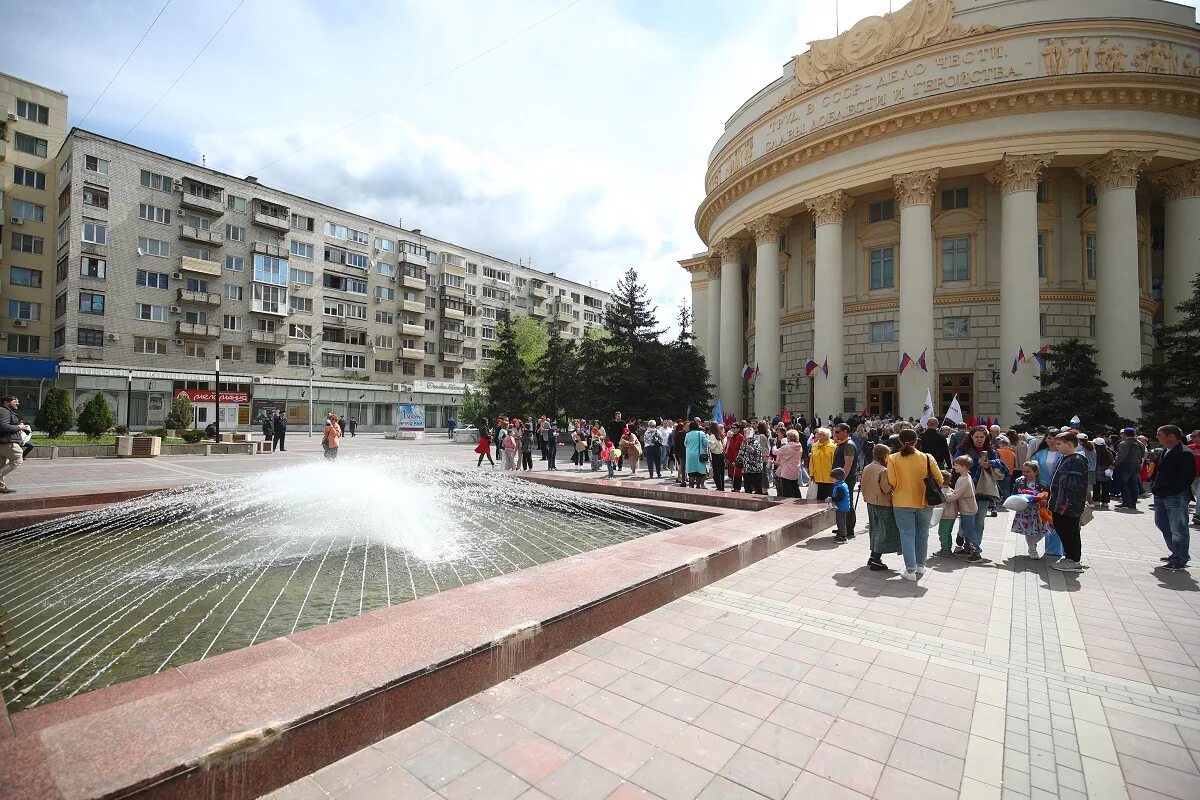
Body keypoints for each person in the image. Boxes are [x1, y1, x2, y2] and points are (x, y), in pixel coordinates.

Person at [886, 428, 944, 581]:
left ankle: (910, 569)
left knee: (907, 535)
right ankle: (920, 565)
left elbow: (892, 481)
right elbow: (940, 479)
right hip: (925, 501)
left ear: (899, 441)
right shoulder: (926, 457)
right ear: (916, 440)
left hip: (902, 500)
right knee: (922, 535)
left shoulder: (892, 458)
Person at [1152, 425, 1196, 571]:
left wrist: (1171, 492)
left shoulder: (1185, 453)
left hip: (1175, 496)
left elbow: (1186, 477)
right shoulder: (1166, 450)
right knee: (1162, 523)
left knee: (1178, 528)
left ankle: (1180, 558)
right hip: (1161, 494)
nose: (1157, 437)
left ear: (1171, 436)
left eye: (1160, 434)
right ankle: (1176, 552)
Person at [1048, 432, 1089, 572]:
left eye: (1059, 444)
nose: (1056, 446)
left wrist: (1065, 504)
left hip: (1068, 505)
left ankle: (1073, 560)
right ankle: (1069, 556)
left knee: (1070, 531)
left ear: (1070, 444)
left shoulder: (1076, 460)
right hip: (1059, 504)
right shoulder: (1065, 458)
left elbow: (1073, 486)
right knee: (1063, 530)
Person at [862, 444, 901, 571]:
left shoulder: (867, 467)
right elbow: (886, 488)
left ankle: (873, 556)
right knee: (884, 531)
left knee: (875, 530)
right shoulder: (883, 470)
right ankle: (877, 560)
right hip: (883, 503)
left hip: (871, 502)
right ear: (885, 455)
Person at [942, 455, 981, 562]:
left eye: (956, 465)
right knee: (966, 529)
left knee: (969, 531)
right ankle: (968, 548)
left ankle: (977, 552)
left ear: (964, 467)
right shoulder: (967, 477)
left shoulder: (963, 479)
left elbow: (955, 495)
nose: (954, 467)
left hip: (967, 509)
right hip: (969, 508)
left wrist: (944, 494)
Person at [1012, 461, 1053, 559]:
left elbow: (1048, 496)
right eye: (1024, 471)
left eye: (1028, 471)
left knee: (1043, 530)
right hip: (1024, 511)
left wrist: (1045, 502)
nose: (1025, 473)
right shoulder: (1019, 482)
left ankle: (1032, 544)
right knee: (1028, 531)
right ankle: (1032, 550)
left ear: (1035, 472)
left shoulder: (1042, 484)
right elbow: (1014, 494)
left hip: (1038, 511)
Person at [833, 423, 859, 535]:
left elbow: (847, 465)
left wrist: (841, 481)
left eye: (838, 432)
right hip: (842, 479)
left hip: (846, 479)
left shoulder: (848, 445)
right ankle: (842, 527)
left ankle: (849, 530)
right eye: (835, 431)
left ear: (845, 432)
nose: (835, 434)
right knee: (842, 503)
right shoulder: (841, 444)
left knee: (847, 504)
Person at [0, 396, 30, 493]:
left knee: (1, 464)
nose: (17, 403)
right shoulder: (4, 411)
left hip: (5, 442)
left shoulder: (6, 411)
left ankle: (1, 487)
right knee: (18, 459)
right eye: (15, 401)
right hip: (7, 442)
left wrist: (20, 435)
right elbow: (4, 426)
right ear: (7, 402)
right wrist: (19, 427)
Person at [1112, 427, 1146, 511]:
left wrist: (1114, 464)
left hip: (1125, 466)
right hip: (1136, 466)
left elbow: (1121, 456)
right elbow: (1143, 454)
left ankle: (1126, 502)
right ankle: (1133, 503)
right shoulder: (1139, 443)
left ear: (1125, 434)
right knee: (1133, 485)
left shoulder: (1124, 443)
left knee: (1123, 484)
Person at [773, 429, 804, 498]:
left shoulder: (787, 447)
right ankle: (798, 500)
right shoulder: (799, 446)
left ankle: (787, 504)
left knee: (786, 489)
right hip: (796, 468)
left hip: (787, 470)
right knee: (795, 486)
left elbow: (775, 452)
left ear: (789, 437)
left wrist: (774, 445)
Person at [736, 425, 766, 495]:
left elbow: (759, 453)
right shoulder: (743, 443)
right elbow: (741, 453)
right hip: (746, 468)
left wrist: (753, 451)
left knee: (757, 487)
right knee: (747, 487)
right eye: (746, 434)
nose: (747, 437)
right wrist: (737, 460)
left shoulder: (756, 443)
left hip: (756, 469)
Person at [808, 428, 836, 500]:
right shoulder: (814, 446)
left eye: (819, 435)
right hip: (818, 477)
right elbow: (812, 461)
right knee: (819, 499)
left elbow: (835, 462)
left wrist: (835, 475)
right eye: (817, 434)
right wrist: (811, 473)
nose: (817, 436)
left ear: (825, 436)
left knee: (829, 498)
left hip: (829, 477)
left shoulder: (833, 446)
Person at [830, 468, 852, 542]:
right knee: (841, 520)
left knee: (840, 521)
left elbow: (839, 498)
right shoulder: (842, 484)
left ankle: (842, 536)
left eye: (832, 478)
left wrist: (831, 499)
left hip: (841, 507)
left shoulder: (840, 487)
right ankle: (841, 531)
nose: (831, 479)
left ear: (837, 478)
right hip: (843, 507)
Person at [684, 419, 708, 488]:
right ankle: (698, 485)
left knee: (691, 472)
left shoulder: (687, 434)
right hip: (699, 455)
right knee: (699, 472)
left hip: (690, 455)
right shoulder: (701, 434)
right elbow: (706, 443)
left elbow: (685, 444)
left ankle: (691, 486)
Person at [1092, 434, 1113, 508]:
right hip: (1106, 472)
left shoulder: (1094, 452)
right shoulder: (1108, 452)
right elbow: (1112, 461)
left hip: (1096, 472)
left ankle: (1096, 501)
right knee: (1106, 488)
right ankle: (1105, 502)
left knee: (1096, 487)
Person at [725, 422, 746, 493]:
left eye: (734, 428)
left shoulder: (741, 437)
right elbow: (729, 448)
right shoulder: (732, 437)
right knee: (731, 473)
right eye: (732, 428)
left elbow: (742, 448)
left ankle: (737, 488)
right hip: (731, 457)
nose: (733, 429)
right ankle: (734, 487)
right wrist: (727, 457)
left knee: (738, 473)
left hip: (738, 457)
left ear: (738, 429)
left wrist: (738, 458)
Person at [708, 423, 728, 491]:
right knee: (721, 472)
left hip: (715, 454)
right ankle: (722, 486)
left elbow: (712, 447)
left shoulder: (712, 436)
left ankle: (719, 487)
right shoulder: (720, 435)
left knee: (716, 472)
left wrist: (709, 445)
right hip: (721, 454)